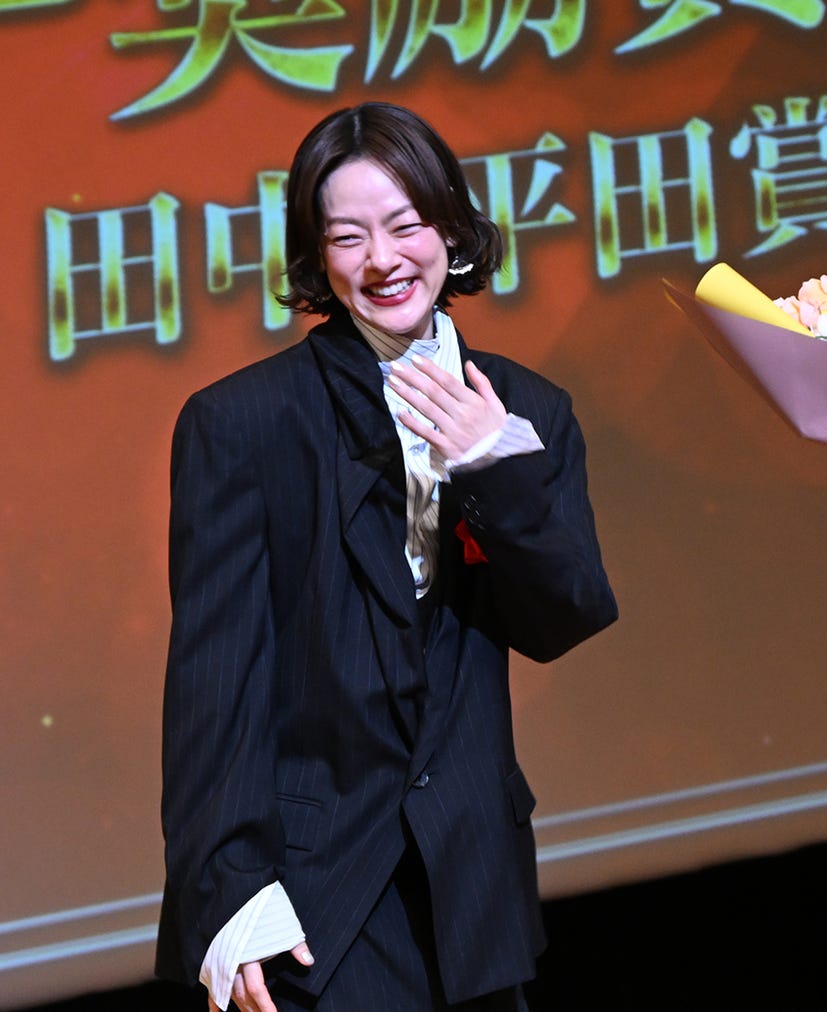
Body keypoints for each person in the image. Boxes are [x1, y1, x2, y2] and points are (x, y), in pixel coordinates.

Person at [154, 102, 618, 1012]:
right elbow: (216, 680)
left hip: (473, 887)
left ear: (450, 230)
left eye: (406, 226)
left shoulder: (528, 409)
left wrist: (493, 466)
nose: (383, 260)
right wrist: (229, 889)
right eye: (348, 236)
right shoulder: (244, 422)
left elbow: (564, 616)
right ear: (317, 258)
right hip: (309, 896)